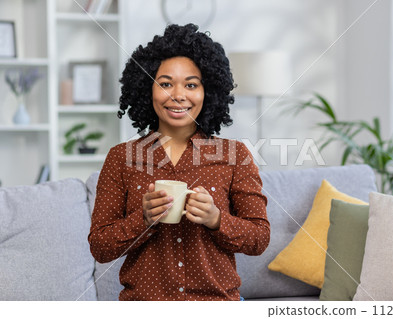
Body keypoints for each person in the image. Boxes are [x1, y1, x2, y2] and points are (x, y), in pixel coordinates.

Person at [88, 24, 270, 301]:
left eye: (191, 84)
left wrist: (216, 220)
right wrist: (144, 219)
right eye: (165, 83)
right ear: (147, 89)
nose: (178, 94)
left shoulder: (234, 156)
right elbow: (100, 248)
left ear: (207, 91)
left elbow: (259, 238)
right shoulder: (121, 158)